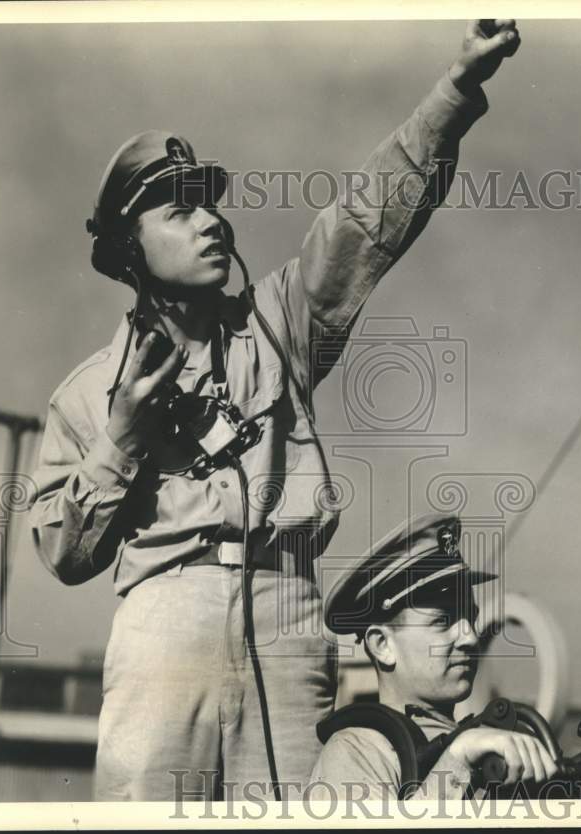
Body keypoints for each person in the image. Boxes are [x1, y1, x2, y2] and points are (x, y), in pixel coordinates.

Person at [28, 21, 522, 801]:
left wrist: (455, 92)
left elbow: (366, 222)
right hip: (165, 624)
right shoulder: (87, 394)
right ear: (130, 249)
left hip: (288, 615)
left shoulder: (278, 325)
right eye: (180, 214)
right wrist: (121, 437)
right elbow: (63, 554)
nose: (212, 223)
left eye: (211, 208)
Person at [311, 513, 558, 800]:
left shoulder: (487, 740)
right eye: (442, 621)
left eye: (471, 618)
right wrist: (458, 759)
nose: (470, 637)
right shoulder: (355, 753)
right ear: (382, 645)